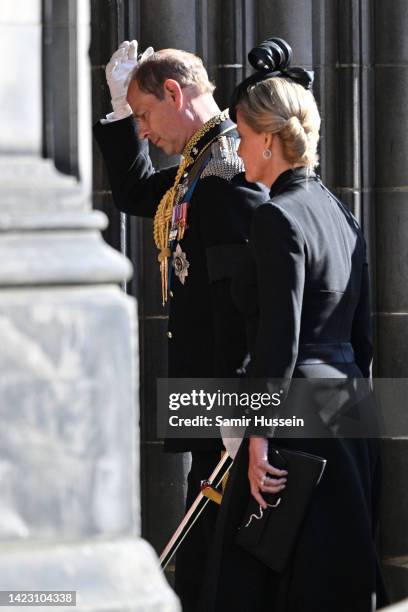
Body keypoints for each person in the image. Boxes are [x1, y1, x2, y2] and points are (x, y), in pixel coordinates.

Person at [200, 39, 388, 612]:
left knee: (267, 581)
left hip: (295, 420)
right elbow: (364, 337)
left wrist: (257, 438)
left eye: (238, 132)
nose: (235, 145)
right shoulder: (341, 210)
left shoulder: (277, 217)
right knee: (335, 576)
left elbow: (278, 339)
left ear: (264, 137)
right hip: (349, 407)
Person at [93, 40, 268, 610]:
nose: (144, 131)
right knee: (206, 557)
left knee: (221, 560)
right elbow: (136, 194)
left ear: (174, 92)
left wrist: (244, 406)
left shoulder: (229, 161)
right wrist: (120, 111)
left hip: (228, 395)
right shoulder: (199, 159)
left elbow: (251, 299)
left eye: (144, 115)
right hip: (207, 389)